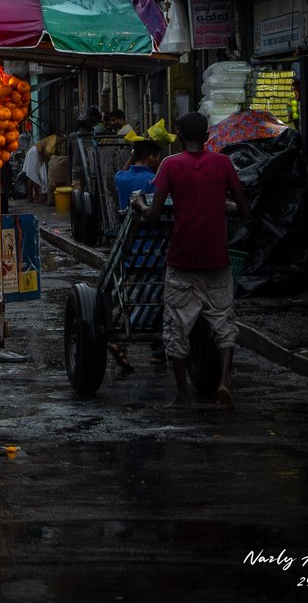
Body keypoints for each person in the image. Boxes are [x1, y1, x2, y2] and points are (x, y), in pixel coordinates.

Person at [132, 112, 250, 409]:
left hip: (182, 258)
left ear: (180, 135)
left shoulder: (171, 164)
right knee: (224, 324)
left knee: (176, 328)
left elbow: (154, 214)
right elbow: (244, 208)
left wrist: (139, 204)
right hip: (217, 258)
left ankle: (183, 395)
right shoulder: (222, 163)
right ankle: (225, 381)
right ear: (208, 135)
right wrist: (226, 206)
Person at [114, 140, 161, 211]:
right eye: (157, 158)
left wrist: (133, 155)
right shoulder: (153, 180)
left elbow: (124, 170)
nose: (158, 161)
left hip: (125, 221)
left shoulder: (119, 176)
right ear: (152, 158)